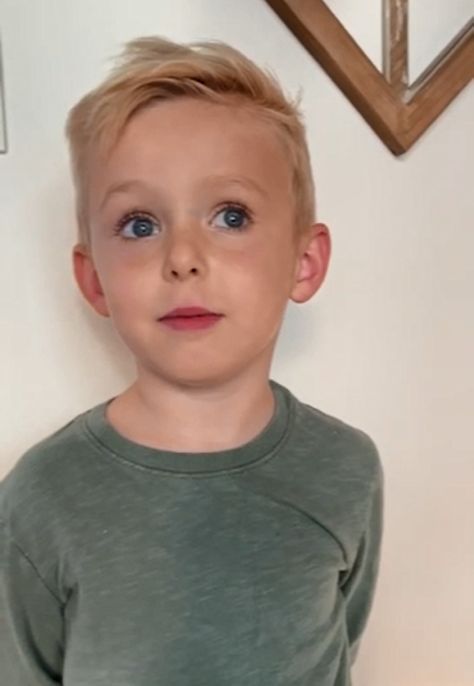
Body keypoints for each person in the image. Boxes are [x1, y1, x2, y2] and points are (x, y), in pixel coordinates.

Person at [0, 36, 384, 685]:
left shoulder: (347, 468)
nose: (182, 257)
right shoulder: (41, 497)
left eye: (231, 216)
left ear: (304, 261)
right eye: (139, 225)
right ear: (94, 280)